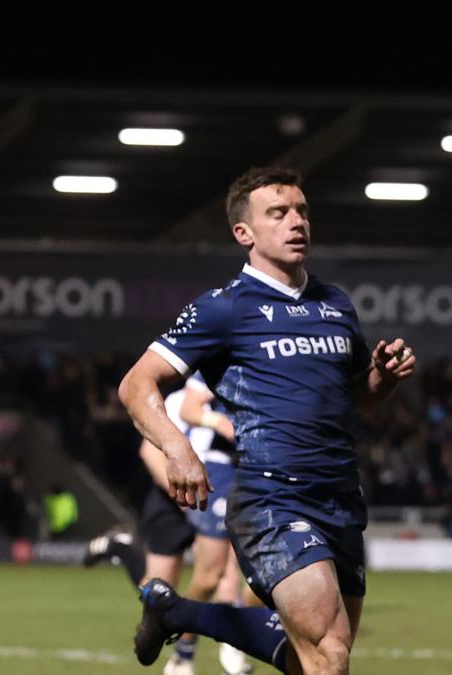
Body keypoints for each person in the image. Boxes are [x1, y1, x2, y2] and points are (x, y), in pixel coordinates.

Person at [118, 167, 416, 674]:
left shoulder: (336, 305)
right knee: (328, 651)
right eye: (278, 213)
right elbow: (136, 385)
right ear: (244, 233)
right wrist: (179, 449)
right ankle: (182, 612)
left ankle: (178, 611)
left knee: (312, 660)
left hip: (342, 498)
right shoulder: (224, 308)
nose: (296, 222)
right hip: (272, 497)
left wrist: (382, 379)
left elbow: (356, 399)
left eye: (302, 211)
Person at [85, 375, 250, 675]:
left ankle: (217, 653)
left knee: (222, 577)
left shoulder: (230, 405)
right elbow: (148, 453)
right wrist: (184, 501)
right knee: (155, 589)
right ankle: (121, 548)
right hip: (172, 498)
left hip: (211, 495)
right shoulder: (175, 403)